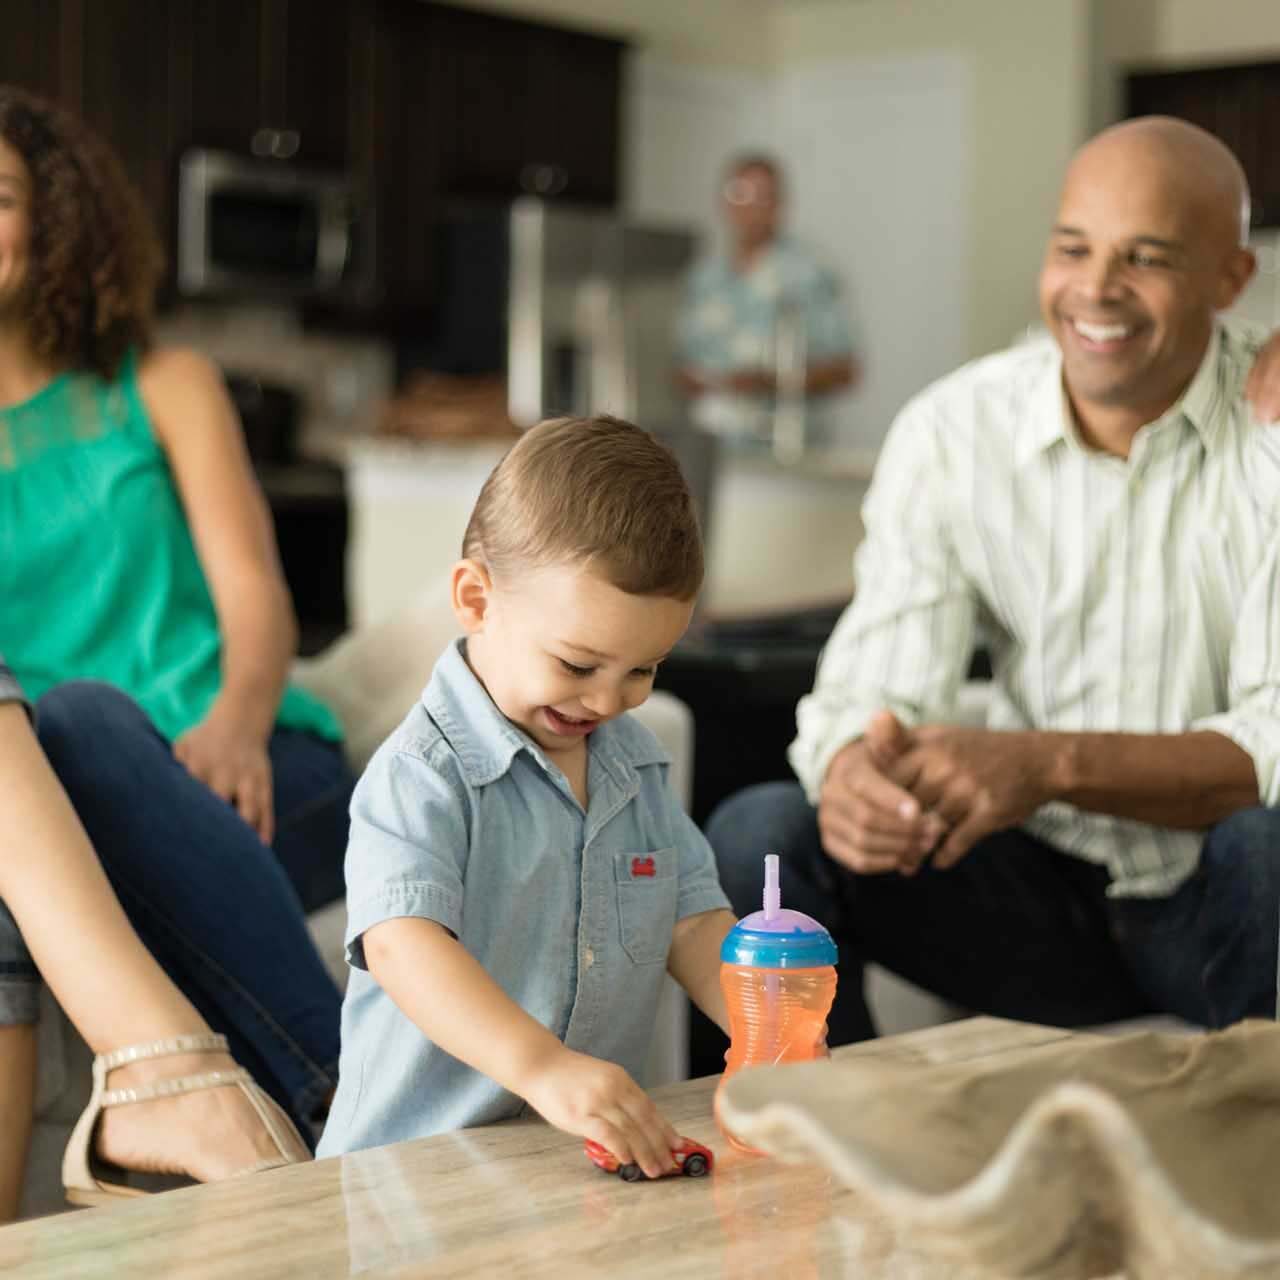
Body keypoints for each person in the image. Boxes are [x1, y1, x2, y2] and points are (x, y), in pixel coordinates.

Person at [706, 116, 1280, 1044]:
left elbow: (1274, 743)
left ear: (1230, 277)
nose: (1096, 288)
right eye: (1073, 248)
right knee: (759, 833)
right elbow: (875, 691)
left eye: (1146, 257)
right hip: (1032, 898)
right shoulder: (953, 432)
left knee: (1272, 840)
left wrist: (1046, 764)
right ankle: (837, 1124)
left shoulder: (1271, 424)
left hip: (1224, 904)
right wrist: (855, 772)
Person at [0, 87, 349, 1145]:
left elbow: (255, 592)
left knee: (86, 718)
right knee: (68, 732)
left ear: (56, 220)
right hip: (50, 804)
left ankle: (338, 1096)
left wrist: (238, 722)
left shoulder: (164, 382)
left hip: (240, 759)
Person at [317, 416, 734, 1175]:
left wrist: (769, 1031)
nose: (607, 701)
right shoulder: (421, 773)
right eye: (577, 665)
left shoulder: (636, 768)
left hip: (570, 1165)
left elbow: (695, 921)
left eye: (642, 670)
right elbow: (402, 945)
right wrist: (543, 1068)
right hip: (413, 1178)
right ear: (476, 600)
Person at [0, 659, 309, 1218]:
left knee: (86, 720)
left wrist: (238, 725)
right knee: (79, 725)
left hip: (203, 773)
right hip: (51, 786)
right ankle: (182, 1077)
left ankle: (323, 1093)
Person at [675, 152, 859, 449]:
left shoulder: (810, 274)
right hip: (713, 446)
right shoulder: (704, 279)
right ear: (724, 201)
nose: (751, 206)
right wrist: (697, 381)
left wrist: (772, 382)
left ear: (780, 204)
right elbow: (684, 364)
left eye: (763, 196)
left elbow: (845, 371)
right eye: (740, 193)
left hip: (785, 449)